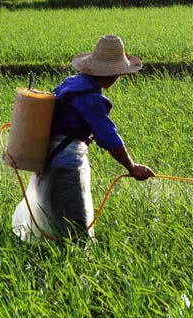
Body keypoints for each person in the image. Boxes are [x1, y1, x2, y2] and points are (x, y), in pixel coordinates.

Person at [12, 35, 154, 240]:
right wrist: (132, 167)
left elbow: (60, 118)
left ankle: (48, 257)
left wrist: (78, 136)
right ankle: (74, 266)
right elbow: (109, 138)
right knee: (76, 226)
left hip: (47, 157)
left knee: (52, 216)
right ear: (112, 73)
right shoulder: (91, 98)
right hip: (65, 165)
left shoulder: (72, 84)